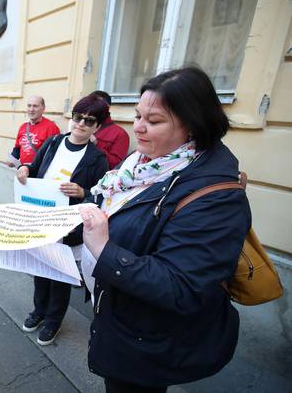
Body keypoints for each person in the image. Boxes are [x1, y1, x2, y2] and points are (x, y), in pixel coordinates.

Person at [79, 67, 251, 392]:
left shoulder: (217, 196)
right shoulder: (142, 163)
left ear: (193, 125)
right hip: (118, 315)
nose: (138, 128)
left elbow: (182, 287)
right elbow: (114, 207)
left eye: (154, 121)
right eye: (137, 115)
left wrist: (103, 250)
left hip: (149, 340)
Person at [16, 95, 108, 346]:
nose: (80, 125)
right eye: (77, 118)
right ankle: (39, 310)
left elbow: (101, 197)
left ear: (96, 127)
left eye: (89, 121)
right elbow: (33, 169)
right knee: (40, 269)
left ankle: (53, 320)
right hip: (41, 219)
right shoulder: (54, 142)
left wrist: (82, 193)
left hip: (69, 226)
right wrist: (24, 169)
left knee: (61, 275)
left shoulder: (97, 159)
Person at [7, 95, 60, 167]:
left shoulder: (51, 127)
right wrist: (12, 160)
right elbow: (17, 148)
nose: (31, 109)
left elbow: (54, 154)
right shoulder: (23, 127)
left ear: (43, 108)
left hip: (39, 173)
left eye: (35, 106)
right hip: (23, 170)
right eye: (29, 106)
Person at [89, 90, 129, 169]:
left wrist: (96, 146)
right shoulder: (82, 124)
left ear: (107, 107)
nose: (92, 108)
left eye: (96, 105)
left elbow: (116, 166)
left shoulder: (120, 134)